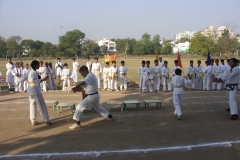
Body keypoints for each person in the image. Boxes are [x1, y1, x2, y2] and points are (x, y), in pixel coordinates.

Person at [19, 60, 52, 126]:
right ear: (34, 65)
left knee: (32, 104)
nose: (38, 66)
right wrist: (44, 79)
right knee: (41, 104)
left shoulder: (29, 71)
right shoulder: (33, 72)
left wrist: (29, 81)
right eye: (37, 65)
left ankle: (33, 120)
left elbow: (21, 80)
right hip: (35, 89)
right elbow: (35, 81)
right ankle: (46, 119)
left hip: (30, 89)